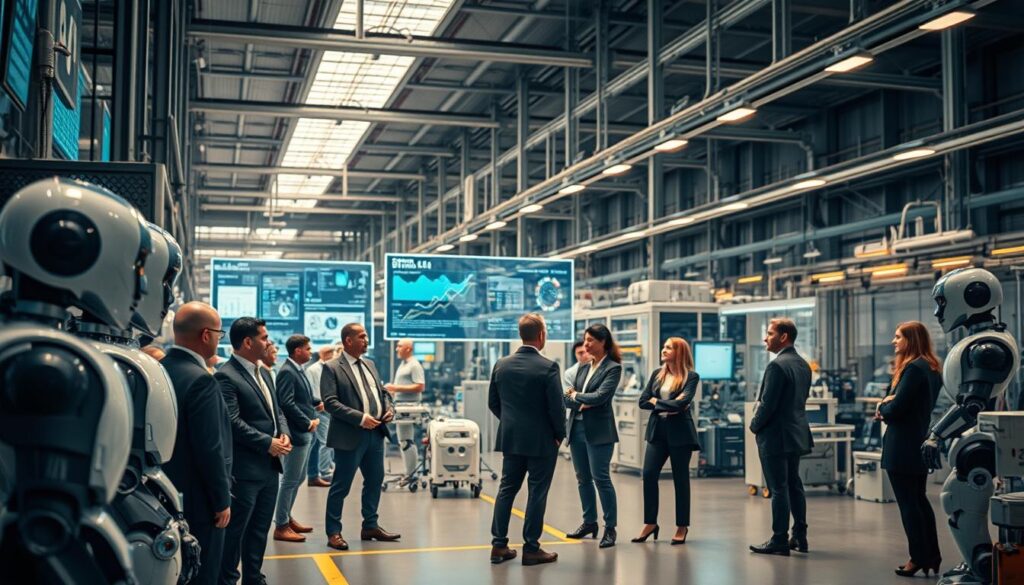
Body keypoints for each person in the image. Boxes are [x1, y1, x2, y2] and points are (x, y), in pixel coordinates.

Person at [216, 317, 292, 585]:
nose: (269, 342)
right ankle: (227, 580)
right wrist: (267, 442)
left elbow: (277, 410)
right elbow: (232, 422)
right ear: (247, 342)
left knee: (259, 531)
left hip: (270, 469)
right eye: (264, 337)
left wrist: (283, 433)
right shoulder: (226, 375)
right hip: (245, 471)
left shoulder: (265, 372)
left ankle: (253, 578)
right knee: (235, 533)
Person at [162, 302, 232, 585]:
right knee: (204, 572)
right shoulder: (202, 381)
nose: (218, 339)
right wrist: (221, 499)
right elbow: (210, 448)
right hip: (200, 500)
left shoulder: (158, 370)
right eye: (219, 333)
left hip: (164, 493)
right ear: (206, 335)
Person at [488, 314, 567, 566]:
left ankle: (499, 546)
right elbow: (557, 408)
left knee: (506, 489)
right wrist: (558, 434)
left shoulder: (501, 364)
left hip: (511, 438)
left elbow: (493, 402)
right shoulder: (548, 367)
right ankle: (531, 549)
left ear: (521, 334)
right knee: (537, 492)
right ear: (541, 335)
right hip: (542, 441)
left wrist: (511, 422)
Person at [320, 323, 399, 551]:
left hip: (376, 434)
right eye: (362, 336)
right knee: (341, 486)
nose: (366, 340)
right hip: (350, 435)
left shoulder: (370, 364)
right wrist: (360, 418)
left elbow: (382, 392)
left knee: (375, 480)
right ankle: (333, 532)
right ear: (348, 340)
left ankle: (370, 526)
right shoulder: (332, 368)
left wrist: (389, 408)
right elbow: (330, 403)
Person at [876, 321, 943, 577]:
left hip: (902, 445)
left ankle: (917, 558)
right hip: (918, 441)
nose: (894, 341)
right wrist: (889, 402)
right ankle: (931, 556)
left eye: (897, 337)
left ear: (910, 340)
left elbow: (897, 408)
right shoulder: (931, 367)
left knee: (909, 505)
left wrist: (883, 407)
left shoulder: (913, 369)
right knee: (919, 501)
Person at [749, 318, 813, 557]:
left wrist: (754, 426)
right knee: (794, 484)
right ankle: (800, 535)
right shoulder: (803, 364)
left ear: (783, 336)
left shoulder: (777, 366)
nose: (765, 338)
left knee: (779, 488)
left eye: (769, 333)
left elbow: (768, 404)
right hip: (796, 434)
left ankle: (779, 539)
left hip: (775, 436)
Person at [633, 337, 701, 545]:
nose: (663, 350)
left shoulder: (691, 377)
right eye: (663, 346)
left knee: (681, 480)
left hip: (680, 433)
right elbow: (643, 401)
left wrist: (659, 402)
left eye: (668, 347)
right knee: (649, 475)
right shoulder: (656, 375)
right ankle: (650, 523)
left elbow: (684, 402)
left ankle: (682, 526)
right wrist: (670, 404)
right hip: (657, 432)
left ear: (679, 352)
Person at [564, 323, 622, 548]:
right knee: (582, 479)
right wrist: (580, 398)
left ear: (603, 342)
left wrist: (577, 396)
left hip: (599, 432)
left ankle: (610, 528)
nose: (586, 344)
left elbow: (600, 397)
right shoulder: (584, 366)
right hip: (576, 428)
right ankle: (589, 522)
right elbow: (566, 397)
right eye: (585, 339)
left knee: (601, 478)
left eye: (590, 340)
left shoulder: (612, 368)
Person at [272, 334, 319, 543]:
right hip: (299, 433)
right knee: (290, 480)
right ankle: (281, 525)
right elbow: (287, 403)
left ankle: (287, 517)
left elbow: (301, 398)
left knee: (298, 478)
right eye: (307, 349)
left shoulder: (297, 370)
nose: (310, 352)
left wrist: (316, 403)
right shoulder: (287, 372)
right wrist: (307, 422)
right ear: (298, 350)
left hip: (305, 432)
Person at [384, 338, 426, 481]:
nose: (397, 349)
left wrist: (395, 388)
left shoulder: (414, 365)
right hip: (400, 405)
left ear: (408, 348)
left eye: (399, 346)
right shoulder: (403, 364)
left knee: (407, 440)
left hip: (409, 407)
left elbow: (420, 386)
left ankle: (411, 474)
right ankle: (409, 472)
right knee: (404, 440)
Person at [305, 345, 336, 487]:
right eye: (332, 352)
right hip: (320, 409)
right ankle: (325, 473)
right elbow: (310, 390)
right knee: (326, 442)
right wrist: (320, 402)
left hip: (330, 409)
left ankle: (322, 471)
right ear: (325, 354)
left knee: (323, 442)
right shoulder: (313, 370)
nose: (334, 355)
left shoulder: (330, 368)